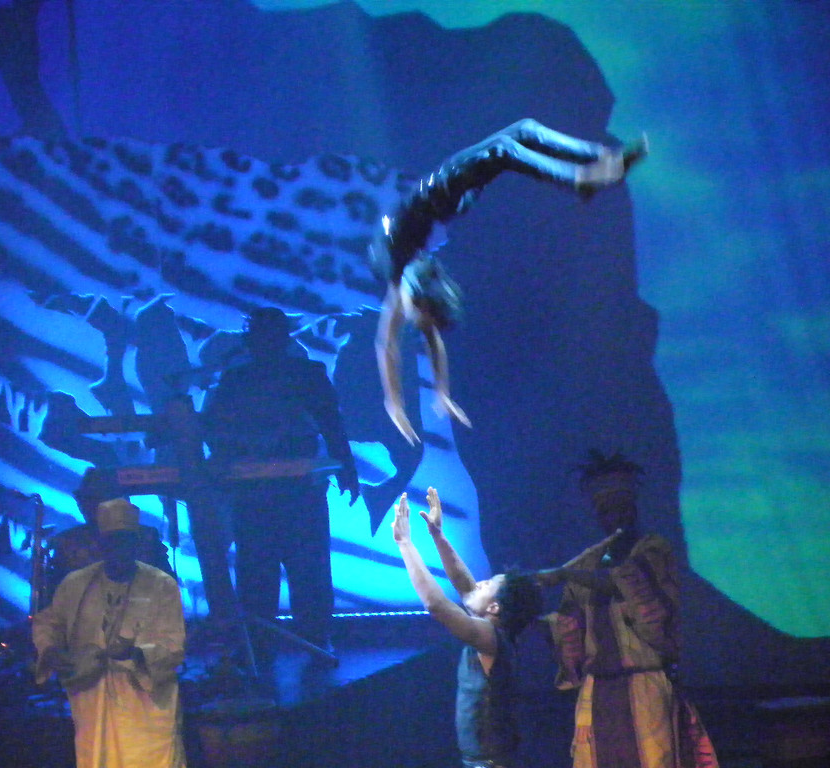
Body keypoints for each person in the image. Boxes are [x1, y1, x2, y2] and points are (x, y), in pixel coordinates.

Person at [370, 119, 648, 445]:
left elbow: (388, 345)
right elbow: (425, 340)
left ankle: (596, 164)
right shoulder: (412, 289)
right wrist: (435, 393)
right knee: (507, 147)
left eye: (417, 315)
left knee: (519, 136)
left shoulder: (402, 286)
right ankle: (588, 173)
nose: (414, 322)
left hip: (443, 196)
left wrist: (401, 402)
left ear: (417, 297)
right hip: (446, 199)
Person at [535, 451, 719, 768]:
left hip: (644, 688)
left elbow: (628, 585)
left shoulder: (652, 549)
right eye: (607, 510)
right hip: (598, 693)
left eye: (622, 508)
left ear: (633, 509)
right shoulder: (587, 563)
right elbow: (569, 624)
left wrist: (565, 574)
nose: (616, 517)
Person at [202, 307, 360, 652]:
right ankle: (265, 643)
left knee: (301, 569)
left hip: (293, 490)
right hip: (259, 492)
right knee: (265, 570)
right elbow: (213, 427)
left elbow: (331, 424)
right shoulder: (239, 379)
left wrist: (347, 468)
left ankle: (308, 640)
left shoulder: (301, 375)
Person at [393, 487, 542, 768]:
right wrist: (437, 535)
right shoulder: (494, 630)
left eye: (487, 585)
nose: (479, 583)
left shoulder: (490, 637)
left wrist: (405, 544)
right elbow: (464, 583)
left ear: (494, 608)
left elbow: (437, 605)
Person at [33, 498, 187, 768]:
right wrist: (52, 651)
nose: (119, 550)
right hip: (93, 705)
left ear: (136, 544)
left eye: (125, 541)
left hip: (146, 711)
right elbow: (48, 623)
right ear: (100, 544)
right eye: (112, 542)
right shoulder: (75, 584)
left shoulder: (161, 585)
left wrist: (135, 654)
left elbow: (174, 647)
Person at [45, 466, 174, 601]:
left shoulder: (146, 538)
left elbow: (167, 587)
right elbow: (55, 594)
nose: (85, 506)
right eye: (83, 499)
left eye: (94, 499)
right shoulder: (67, 542)